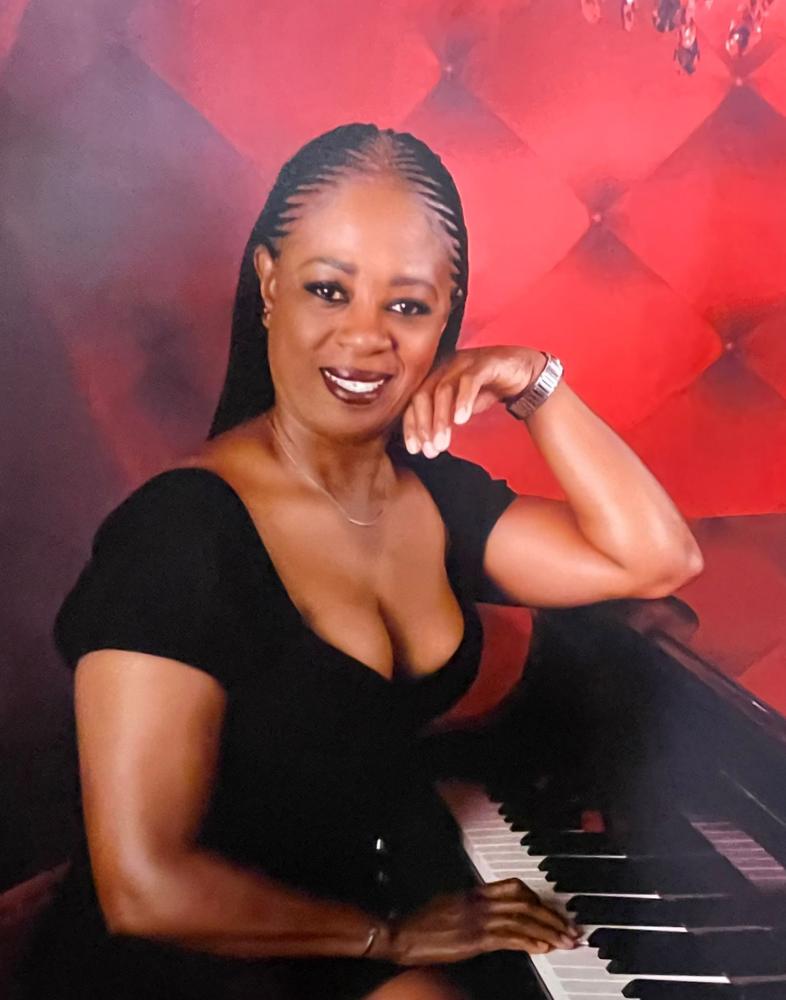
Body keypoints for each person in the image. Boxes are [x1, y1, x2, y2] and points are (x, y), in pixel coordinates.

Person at [21, 123, 703, 1000]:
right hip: (193, 950)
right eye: (328, 290)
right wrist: (389, 937)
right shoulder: (176, 536)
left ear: (448, 318)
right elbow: (144, 888)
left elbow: (655, 557)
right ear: (270, 284)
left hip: (349, 897)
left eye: (408, 306)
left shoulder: (432, 495)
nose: (366, 337)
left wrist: (534, 382)